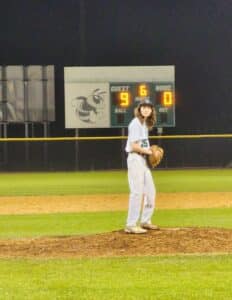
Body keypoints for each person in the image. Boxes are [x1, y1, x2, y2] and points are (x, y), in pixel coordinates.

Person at [125, 99, 159, 234]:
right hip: (135, 159)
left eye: (148, 107)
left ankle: (145, 221)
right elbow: (133, 145)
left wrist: (148, 149)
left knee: (151, 191)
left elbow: (142, 145)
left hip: (143, 161)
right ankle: (131, 224)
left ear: (151, 111)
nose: (146, 109)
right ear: (139, 109)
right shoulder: (135, 123)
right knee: (137, 192)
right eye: (143, 107)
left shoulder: (144, 124)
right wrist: (149, 152)